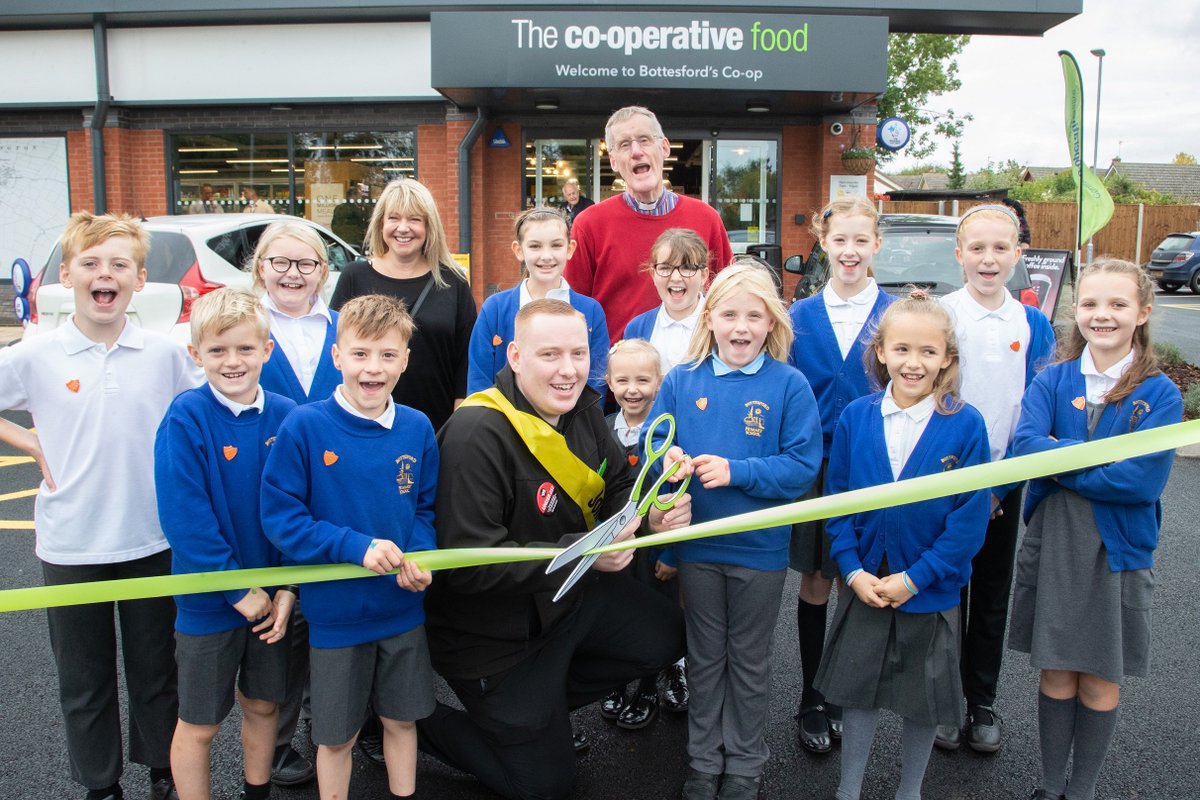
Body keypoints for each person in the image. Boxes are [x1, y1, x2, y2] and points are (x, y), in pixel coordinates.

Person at [418, 299, 690, 800]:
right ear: (516, 357)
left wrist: (647, 518)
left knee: (666, 636)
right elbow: (469, 566)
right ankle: (404, 718)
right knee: (543, 785)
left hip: (564, 601)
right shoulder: (476, 433)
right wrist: (585, 552)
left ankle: (536, 716)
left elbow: (619, 484)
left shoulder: (583, 404)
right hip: (491, 638)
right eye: (550, 355)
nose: (568, 371)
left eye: (579, 354)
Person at [0, 211, 202, 800]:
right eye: (89, 263)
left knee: (156, 670)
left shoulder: (164, 354)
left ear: (140, 279)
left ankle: (164, 770)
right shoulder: (37, 355)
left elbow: (210, 399)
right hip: (70, 542)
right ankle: (100, 783)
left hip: (151, 537)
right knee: (83, 679)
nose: (103, 274)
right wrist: (27, 439)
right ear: (65, 276)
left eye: (119, 264)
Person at [1009, 258, 1182, 800]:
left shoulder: (1159, 394)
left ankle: (1081, 791)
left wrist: (1063, 456)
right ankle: (1049, 785)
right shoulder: (1052, 380)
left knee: (1101, 676)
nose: (1101, 315)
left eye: (1117, 305)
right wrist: (1091, 461)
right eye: (1089, 304)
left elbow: (1138, 482)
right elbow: (1025, 450)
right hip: (1055, 541)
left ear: (1143, 313)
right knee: (1057, 671)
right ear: (1074, 310)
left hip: (1117, 550)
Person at [650, 263, 822, 800]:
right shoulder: (681, 379)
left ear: (772, 322)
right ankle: (704, 761)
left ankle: (745, 764)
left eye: (755, 315)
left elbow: (802, 467)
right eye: (729, 314)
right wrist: (667, 461)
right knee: (704, 659)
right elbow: (652, 451)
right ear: (710, 317)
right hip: (698, 549)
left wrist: (737, 471)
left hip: (760, 553)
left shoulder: (789, 384)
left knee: (749, 662)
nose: (741, 326)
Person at [261, 293, 438, 800]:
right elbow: (282, 517)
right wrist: (354, 546)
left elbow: (423, 511)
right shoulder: (304, 426)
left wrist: (421, 556)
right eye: (360, 354)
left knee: (402, 724)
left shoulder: (417, 427)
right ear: (336, 357)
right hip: (336, 616)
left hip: (402, 610)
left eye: (387, 355)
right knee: (336, 736)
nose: (373, 368)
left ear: (405, 359)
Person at [815, 292, 991, 800]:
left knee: (923, 701)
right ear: (882, 352)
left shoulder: (966, 424)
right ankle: (850, 788)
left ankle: (909, 791)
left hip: (928, 589)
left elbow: (969, 519)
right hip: (867, 581)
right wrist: (851, 570)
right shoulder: (856, 416)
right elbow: (839, 500)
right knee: (859, 692)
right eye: (902, 349)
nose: (914, 363)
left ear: (947, 359)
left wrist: (918, 577)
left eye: (928, 352)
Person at [154, 287, 296, 800]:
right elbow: (185, 520)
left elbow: (299, 509)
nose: (232, 361)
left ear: (267, 350)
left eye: (244, 348)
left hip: (272, 602)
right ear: (196, 355)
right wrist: (238, 589)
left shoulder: (287, 416)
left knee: (263, 705)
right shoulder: (185, 417)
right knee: (200, 722)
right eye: (217, 351)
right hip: (209, 603)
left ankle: (256, 792)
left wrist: (286, 588)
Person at [936, 204, 1056, 753]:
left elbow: (1034, 409)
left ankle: (980, 699)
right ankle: (940, 700)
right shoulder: (941, 316)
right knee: (942, 591)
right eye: (977, 248)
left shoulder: (1032, 324)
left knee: (989, 593)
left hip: (1004, 487)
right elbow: (925, 399)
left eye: (1000, 248)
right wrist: (958, 483)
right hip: (940, 483)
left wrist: (998, 486)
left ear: (1018, 254)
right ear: (959, 254)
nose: (988, 259)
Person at [785, 197, 895, 755]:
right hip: (813, 466)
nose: (850, 251)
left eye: (862, 241)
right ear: (824, 244)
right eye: (840, 240)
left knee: (862, 582)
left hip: (874, 468)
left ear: (877, 245)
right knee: (816, 580)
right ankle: (810, 695)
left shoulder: (897, 314)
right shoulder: (797, 316)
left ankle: (846, 691)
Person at [250, 220, 341, 787]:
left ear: (322, 272)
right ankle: (278, 742)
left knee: (327, 618)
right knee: (278, 632)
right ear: (260, 267)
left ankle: (328, 725)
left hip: (336, 497)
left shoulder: (342, 326)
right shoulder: (244, 324)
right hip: (266, 495)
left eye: (305, 263)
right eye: (279, 262)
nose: (292, 273)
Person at [565, 105, 733, 345]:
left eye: (644, 140)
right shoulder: (588, 225)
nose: (636, 152)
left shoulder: (706, 218)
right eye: (624, 145)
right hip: (620, 376)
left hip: (694, 370)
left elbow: (727, 296)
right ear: (613, 161)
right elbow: (574, 310)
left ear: (664, 147)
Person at [330, 177, 476, 432]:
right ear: (381, 224)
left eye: (415, 219)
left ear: (430, 226)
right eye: (394, 218)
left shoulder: (453, 282)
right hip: (362, 424)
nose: (403, 228)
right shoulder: (355, 276)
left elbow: (466, 362)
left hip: (437, 425)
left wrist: (458, 426)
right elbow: (336, 352)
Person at [597, 338, 688, 729]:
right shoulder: (599, 430)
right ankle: (617, 681)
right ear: (609, 382)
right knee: (616, 614)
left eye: (643, 380)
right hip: (614, 551)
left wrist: (670, 555)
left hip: (653, 552)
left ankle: (650, 687)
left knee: (654, 617)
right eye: (623, 380)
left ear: (660, 381)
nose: (632, 389)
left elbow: (676, 497)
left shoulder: (669, 438)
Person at [467, 207, 608, 394]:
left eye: (556, 245)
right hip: (502, 421)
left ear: (570, 249)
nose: (546, 256)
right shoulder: (495, 309)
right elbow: (479, 380)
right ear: (518, 250)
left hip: (572, 421)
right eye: (535, 246)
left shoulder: (590, 311)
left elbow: (596, 382)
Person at [623, 227, 710, 374]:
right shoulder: (638, 328)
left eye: (687, 268)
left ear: (703, 276)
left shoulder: (719, 326)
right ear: (653, 274)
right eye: (665, 268)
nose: (676, 278)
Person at [331, 182, 370, 249]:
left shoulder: (340, 207)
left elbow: (334, 225)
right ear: (353, 196)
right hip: (352, 242)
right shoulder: (353, 209)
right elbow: (360, 226)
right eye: (359, 196)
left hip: (342, 241)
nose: (361, 198)